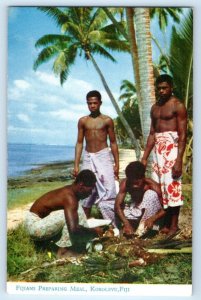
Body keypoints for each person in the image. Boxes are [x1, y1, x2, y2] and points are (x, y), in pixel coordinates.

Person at [141, 74, 187, 235]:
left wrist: (179, 160)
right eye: (159, 88)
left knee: (173, 188)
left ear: (171, 87)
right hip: (158, 152)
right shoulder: (155, 108)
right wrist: (145, 157)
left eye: (164, 87)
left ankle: (174, 225)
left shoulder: (177, 105)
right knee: (160, 188)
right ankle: (165, 223)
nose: (161, 91)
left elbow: (182, 135)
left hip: (172, 150)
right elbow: (152, 134)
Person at [24, 169, 105, 257]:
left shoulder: (71, 192)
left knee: (76, 212)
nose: (91, 193)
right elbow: (73, 229)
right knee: (70, 217)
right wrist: (93, 232)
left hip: (38, 223)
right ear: (81, 186)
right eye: (90, 189)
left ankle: (54, 246)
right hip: (34, 227)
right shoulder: (70, 198)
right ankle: (64, 252)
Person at [73, 90, 119, 225]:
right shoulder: (83, 121)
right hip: (88, 156)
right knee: (84, 187)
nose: (92, 106)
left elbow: (114, 142)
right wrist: (76, 165)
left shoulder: (107, 120)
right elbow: (80, 143)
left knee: (109, 188)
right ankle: (84, 222)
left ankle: (112, 223)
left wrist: (117, 164)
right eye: (89, 103)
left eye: (95, 103)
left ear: (100, 103)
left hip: (104, 155)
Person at [115, 161, 165, 236]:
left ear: (143, 178)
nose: (134, 186)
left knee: (151, 194)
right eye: (132, 183)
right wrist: (126, 224)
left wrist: (152, 219)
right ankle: (130, 227)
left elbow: (165, 209)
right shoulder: (125, 183)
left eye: (137, 183)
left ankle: (148, 228)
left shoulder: (152, 186)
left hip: (150, 214)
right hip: (135, 210)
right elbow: (117, 206)